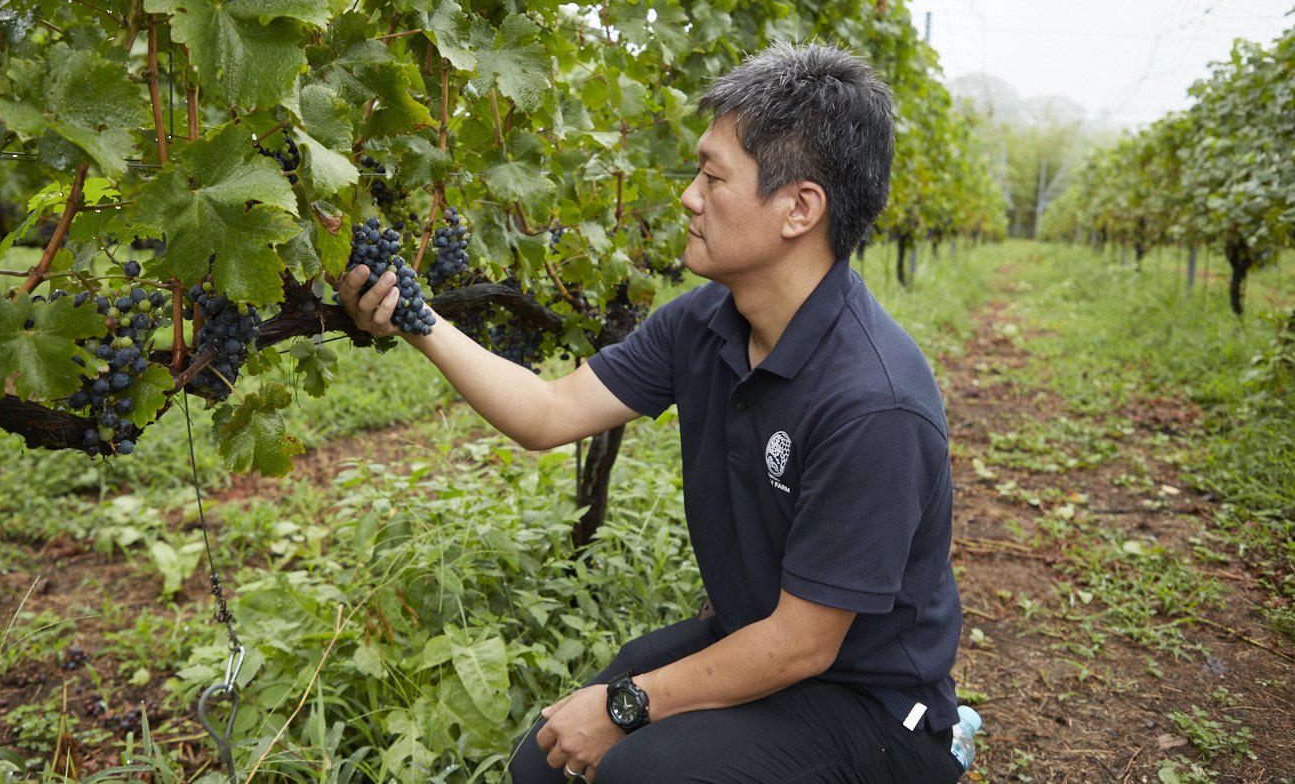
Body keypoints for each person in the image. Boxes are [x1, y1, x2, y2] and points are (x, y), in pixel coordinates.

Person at [338, 41, 964, 784]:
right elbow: (547, 412)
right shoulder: (706, 321)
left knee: (640, 768)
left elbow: (803, 645)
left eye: (713, 176)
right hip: (754, 644)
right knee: (544, 763)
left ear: (800, 208)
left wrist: (626, 708)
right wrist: (414, 317)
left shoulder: (874, 405)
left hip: (874, 712)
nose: (689, 197)